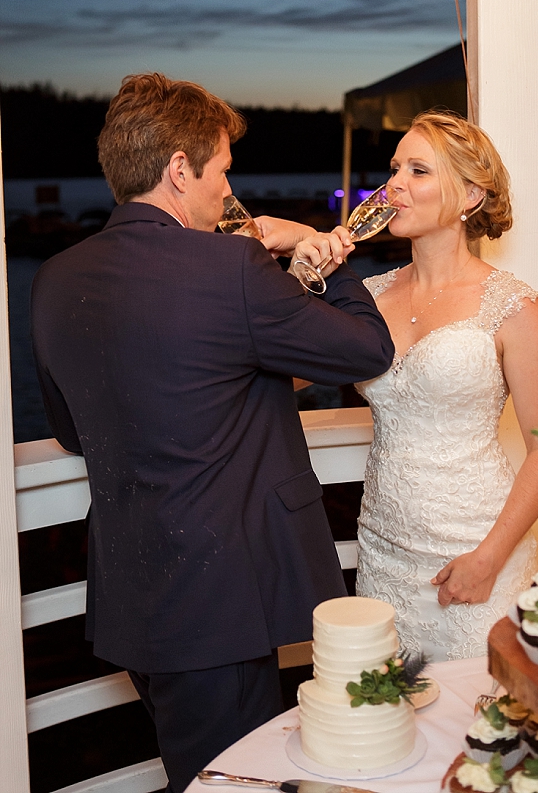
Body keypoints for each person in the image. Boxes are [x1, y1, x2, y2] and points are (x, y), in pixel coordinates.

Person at [30, 73, 394, 793]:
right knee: (229, 781)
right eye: (223, 171)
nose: (227, 192)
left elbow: (74, 431)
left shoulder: (55, 278)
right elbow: (365, 350)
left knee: (193, 767)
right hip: (222, 598)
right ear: (178, 170)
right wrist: (325, 253)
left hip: (135, 592)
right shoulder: (231, 266)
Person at [350, 110, 538, 661]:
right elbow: (280, 365)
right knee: (385, 727)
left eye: (418, 171)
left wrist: (489, 558)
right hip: (382, 555)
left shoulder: (511, 306)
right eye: (394, 168)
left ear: (470, 196)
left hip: (477, 553)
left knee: (485, 731)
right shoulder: (366, 297)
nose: (393, 184)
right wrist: (304, 267)